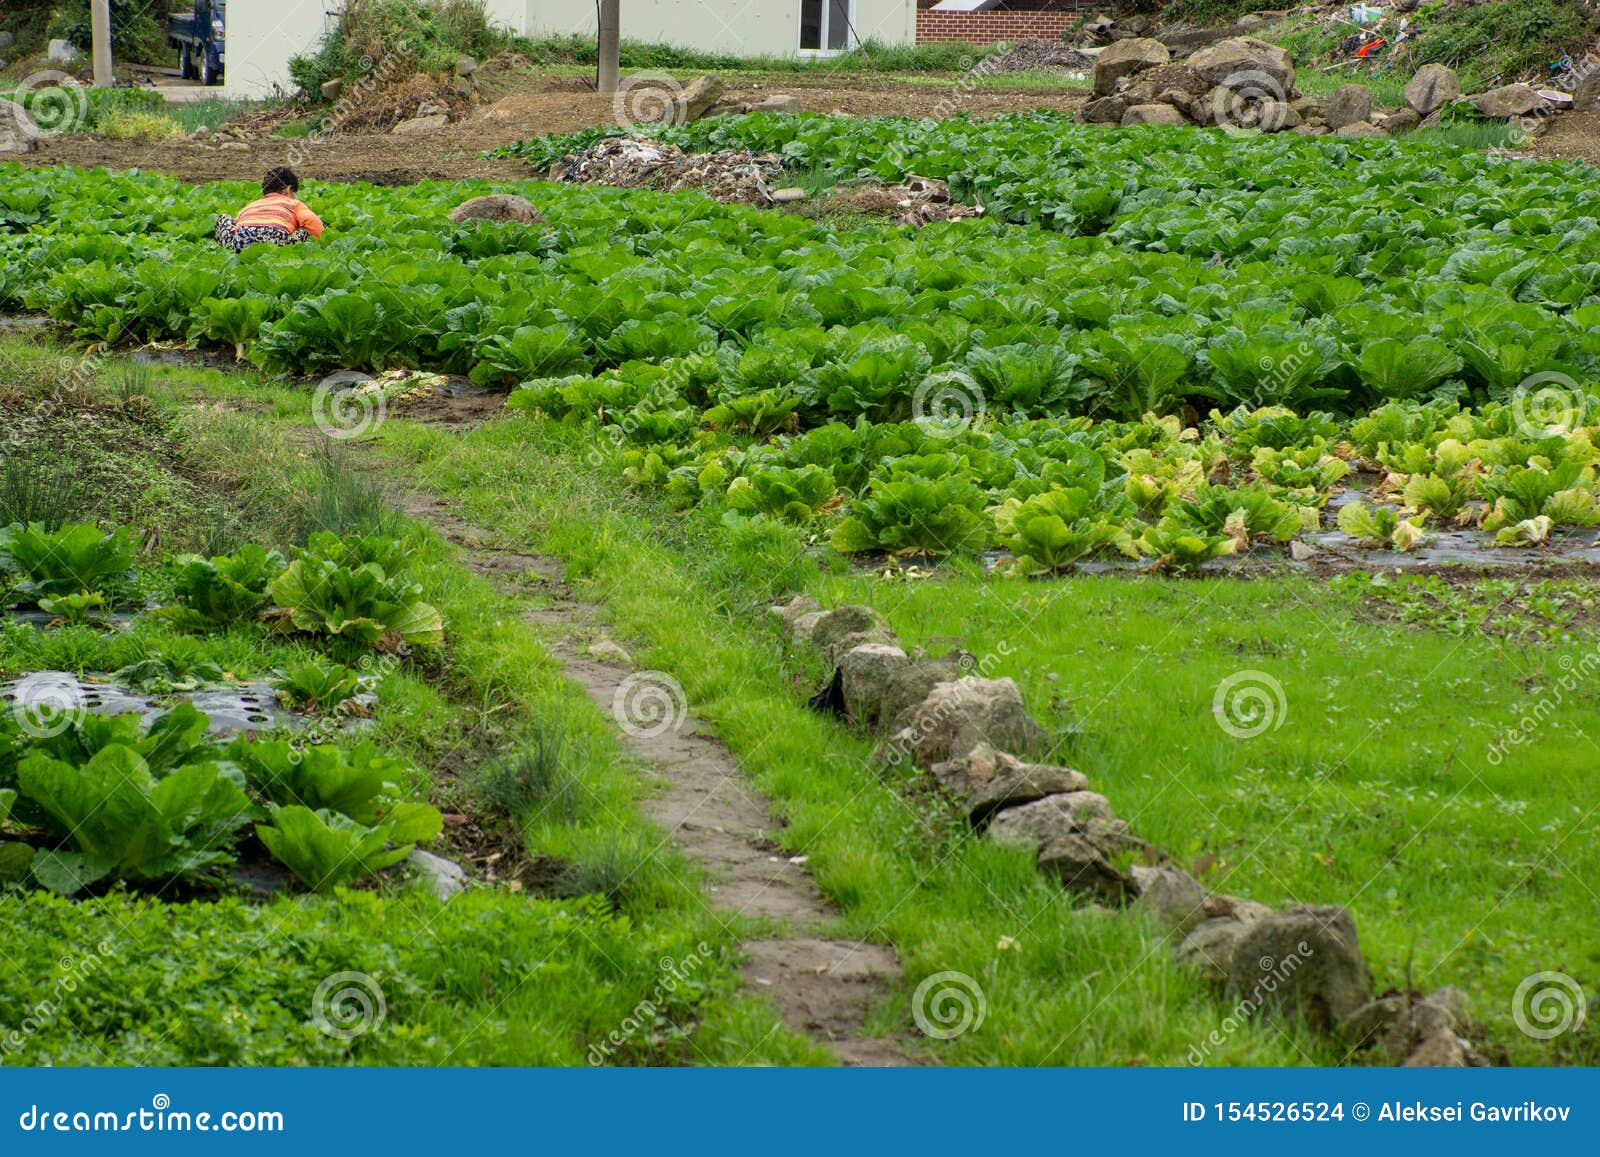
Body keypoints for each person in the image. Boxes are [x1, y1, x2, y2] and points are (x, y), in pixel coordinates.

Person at [214, 167, 324, 253]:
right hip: (274, 242)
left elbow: (235, 225)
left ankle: (229, 248)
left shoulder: (252, 205)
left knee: (224, 218)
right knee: (305, 231)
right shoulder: (294, 203)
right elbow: (312, 222)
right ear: (288, 189)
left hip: (241, 242)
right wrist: (320, 240)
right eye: (294, 193)